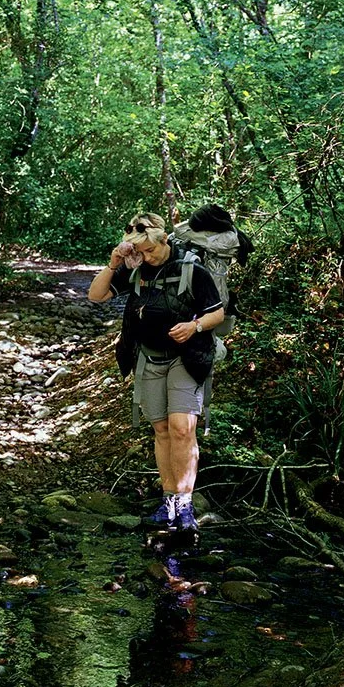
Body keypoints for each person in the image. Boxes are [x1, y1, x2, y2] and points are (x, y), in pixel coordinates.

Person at [88, 212, 225, 531]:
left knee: (182, 428)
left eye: (150, 250)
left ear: (164, 240)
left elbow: (217, 313)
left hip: (186, 357)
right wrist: (113, 264)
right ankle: (168, 502)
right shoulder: (136, 268)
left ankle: (185, 506)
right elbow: (96, 296)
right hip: (148, 359)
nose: (145, 257)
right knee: (161, 430)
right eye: (140, 252)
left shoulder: (192, 269)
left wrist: (194, 326)